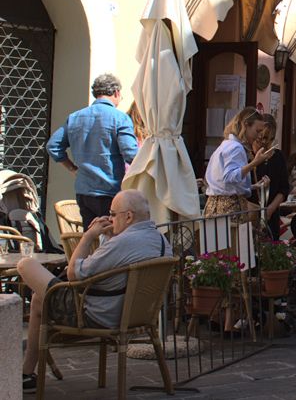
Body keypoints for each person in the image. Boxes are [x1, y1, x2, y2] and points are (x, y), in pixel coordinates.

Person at [18, 190, 172, 391]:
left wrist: (89, 235)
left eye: (113, 214)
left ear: (128, 216)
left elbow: (74, 273)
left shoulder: (123, 242)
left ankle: (27, 373)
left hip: (95, 314)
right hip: (134, 314)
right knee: (39, 299)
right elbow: (112, 267)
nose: (109, 218)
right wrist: (108, 237)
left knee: (26, 265)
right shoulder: (161, 242)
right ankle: (26, 374)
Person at [46, 73, 140, 230]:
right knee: (112, 238)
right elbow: (131, 154)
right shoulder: (120, 118)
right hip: (110, 191)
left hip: (84, 191)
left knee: (91, 238)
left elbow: (53, 146)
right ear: (116, 93)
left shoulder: (75, 117)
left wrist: (72, 168)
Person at [203, 107, 273, 223]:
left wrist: (252, 186)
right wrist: (255, 162)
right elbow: (229, 177)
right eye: (257, 131)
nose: (258, 136)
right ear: (246, 125)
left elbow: (225, 184)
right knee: (231, 240)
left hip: (215, 205)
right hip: (229, 208)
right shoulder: (236, 147)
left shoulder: (226, 144)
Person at [251, 114, 289, 240]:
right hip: (250, 213)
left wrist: (270, 209)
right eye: (260, 138)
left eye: (268, 139)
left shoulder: (278, 157)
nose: (263, 143)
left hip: (271, 214)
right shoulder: (246, 155)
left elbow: (284, 188)